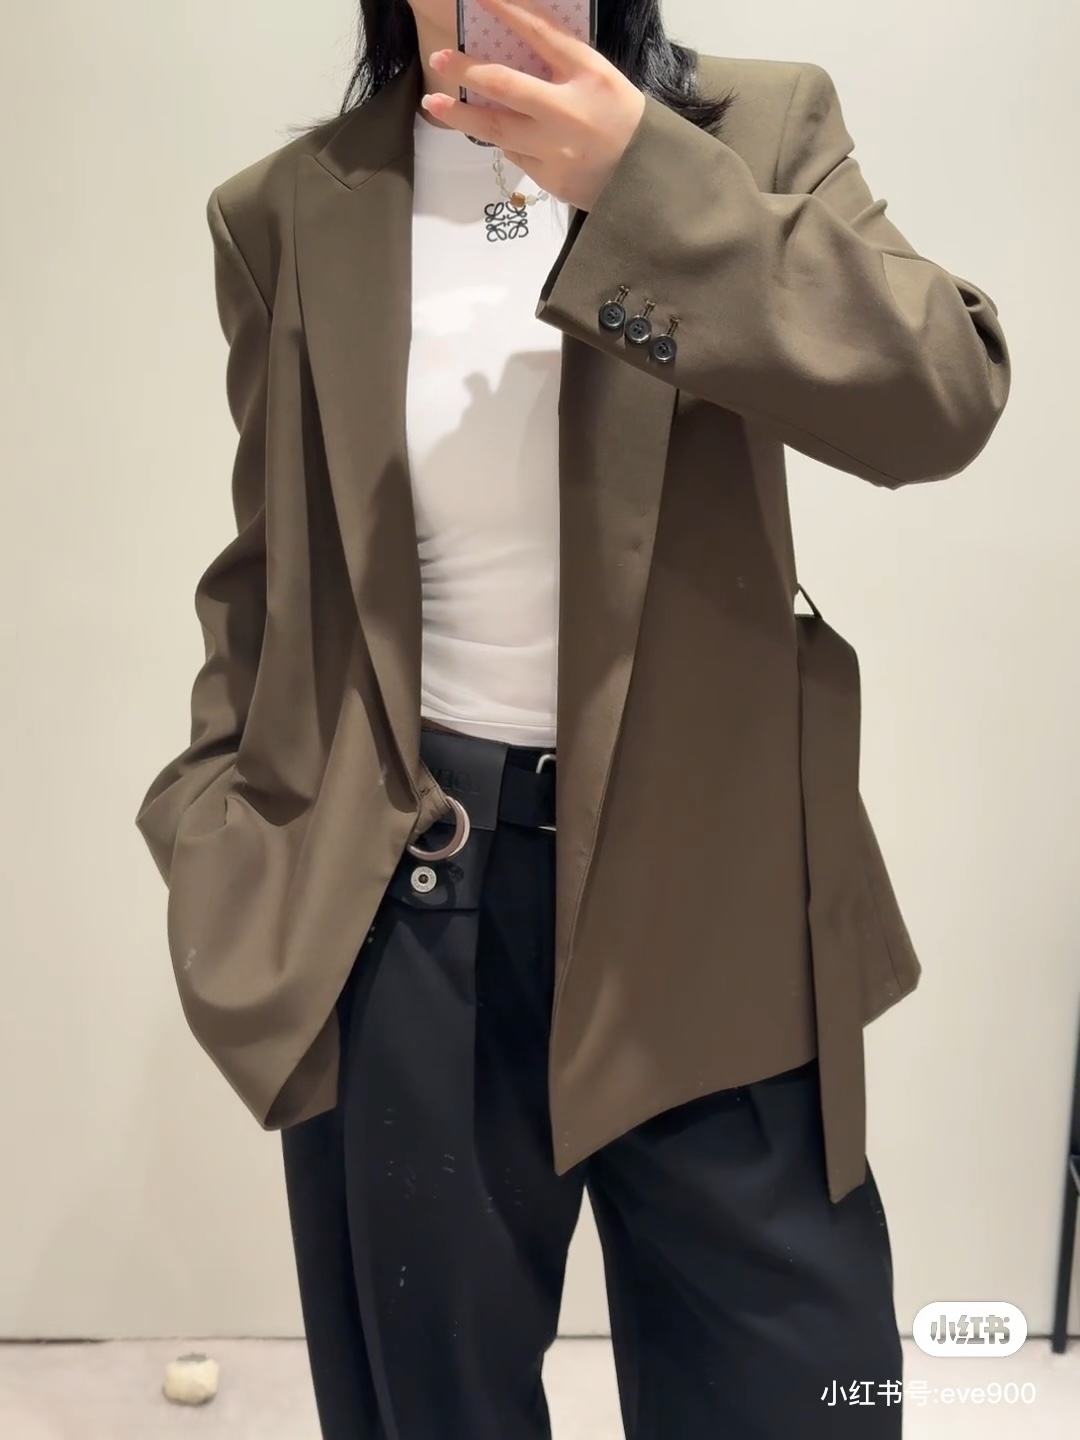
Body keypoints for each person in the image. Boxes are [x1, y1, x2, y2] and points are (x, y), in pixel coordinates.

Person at [136, 0, 1011, 1435]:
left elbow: (945, 398)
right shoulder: (292, 210)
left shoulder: (751, 128)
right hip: (410, 908)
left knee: (808, 1393)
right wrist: (225, 846)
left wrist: (642, 186)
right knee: (433, 1407)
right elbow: (270, 573)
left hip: (718, 904)